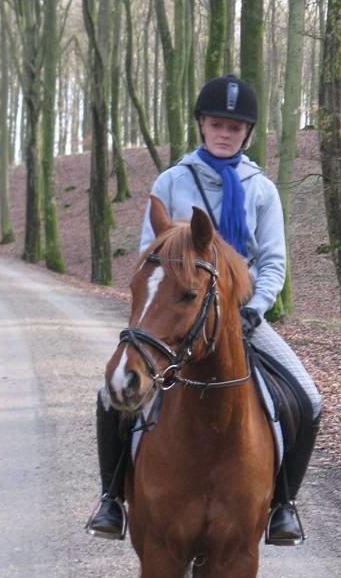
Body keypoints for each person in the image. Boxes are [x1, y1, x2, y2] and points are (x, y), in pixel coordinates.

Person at [86, 74, 322, 545]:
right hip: (177, 320)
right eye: (216, 124)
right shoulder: (173, 182)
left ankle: (283, 505)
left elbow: (273, 261)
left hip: (242, 322)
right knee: (113, 393)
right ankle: (112, 497)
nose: (224, 133)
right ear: (202, 125)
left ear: (246, 134)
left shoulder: (262, 190)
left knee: (309, 399)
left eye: (234, 128)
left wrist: (254, 309)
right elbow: (149, 253)